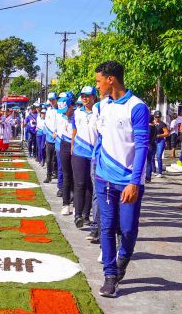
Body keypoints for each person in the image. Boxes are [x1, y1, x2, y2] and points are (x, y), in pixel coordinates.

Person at [93, 61, 149, 298]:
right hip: (104, 178)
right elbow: (101, 139)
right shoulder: (102, 106)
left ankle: (122, 260)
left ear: (110, 80)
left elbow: (142, 146)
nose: (96, 86)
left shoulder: (137, 107)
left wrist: (134, 182)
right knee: (106, 227)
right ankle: (109, 275)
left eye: (98, 81)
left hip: (128, 181)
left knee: (126, 229)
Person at [72, 86, 98, 229]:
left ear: (94, 97)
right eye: (83, 95)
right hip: (79, 153)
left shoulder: (98, 112)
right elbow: (74, 132)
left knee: (90, 185)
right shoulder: (77, 113)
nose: (85, 98)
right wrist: (71, 149)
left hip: (93, 154)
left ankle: (86, 215)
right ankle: (78, 215)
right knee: (80, 183)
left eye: (88, 95)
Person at [56, 92, 76, 216]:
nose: (63, 113)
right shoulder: (61, 116)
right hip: (64, 145)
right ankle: (66, 204)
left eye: (65, 110)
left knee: (77, 177)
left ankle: (77, 205)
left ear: (70, 107)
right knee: (66, 175)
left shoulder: (77, 115)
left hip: (76, 146)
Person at [146, 111, 169, 181]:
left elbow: (167, 133)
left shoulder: (162, 124)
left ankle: (160, 172)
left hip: (160, 141)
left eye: (158, 117)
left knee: (158, 156)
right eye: (156, 117)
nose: (157, 118)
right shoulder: (153, 124)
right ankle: (153, 170)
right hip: (153, 141)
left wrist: (159, 135)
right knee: (152, 157)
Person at [43, 92, 59, 182]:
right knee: (49, 159)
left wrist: (57, 133)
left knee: (56, 159)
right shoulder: (48, 110)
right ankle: (48, 176)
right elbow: (46, 124)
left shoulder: (61, 110)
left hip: (59, 138)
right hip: (50, 138)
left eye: (53, 99)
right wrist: (51, 133)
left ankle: (56, 173)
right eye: (50, 100)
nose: (52, 101)